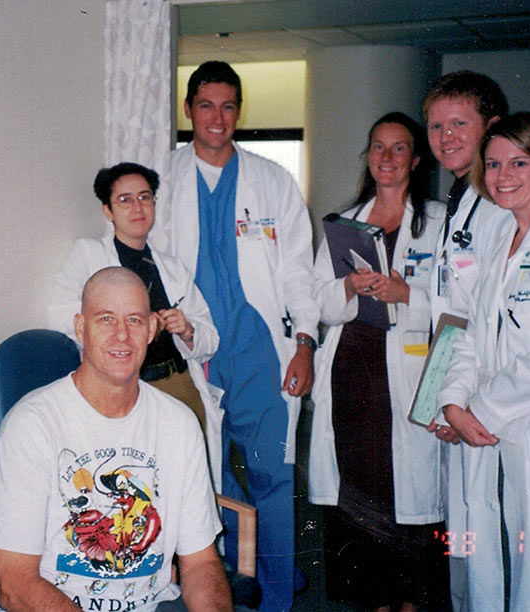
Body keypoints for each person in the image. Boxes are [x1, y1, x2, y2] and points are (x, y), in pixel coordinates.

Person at [150, 60, 318, 612]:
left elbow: (298, 269)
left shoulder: (272, 180)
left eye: (227, 106)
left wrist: (306, 343)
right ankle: (228, 581)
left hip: (258, 351)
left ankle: (273, 595)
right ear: (188, 111)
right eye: (205, 105)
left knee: (272, 473)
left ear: (238, 112)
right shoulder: (162, 179)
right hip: (188, 349)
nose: (217, 118)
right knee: (201, 473)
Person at [0, 267, 234, 612]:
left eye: (135, 321)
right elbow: (14, 585)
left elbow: (200, 563)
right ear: (81, 328)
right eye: (106, 319)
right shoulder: (31, 426)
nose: (122, 336)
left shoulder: (179, 424)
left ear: (150, 331)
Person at [438, 112, 530, 611]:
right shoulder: (498, 236)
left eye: (519, 162)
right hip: (488, 430)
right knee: (493, 563)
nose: (503, 175)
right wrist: (452, 400)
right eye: (494, 163)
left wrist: (480, 407)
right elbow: (473, 332)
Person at [308, 112, 448, 612]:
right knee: (359, 496)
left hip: (406, 377)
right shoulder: (345, 223)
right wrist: (349, 286)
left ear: (415, 159)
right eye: (378, 147)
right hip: (353, 375)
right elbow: (319, 301)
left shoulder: (439, 222)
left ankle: (407, 605)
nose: (386, 158)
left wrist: (405, 291)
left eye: (399, 148)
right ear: (368, 156)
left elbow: (459, 302)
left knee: (406, 499)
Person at [48, 162, 221, 478]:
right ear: (107, 210)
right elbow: (62, 317)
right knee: (139, 481)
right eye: (125, 200)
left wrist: (187, 329)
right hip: (126, 387)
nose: (137, 207)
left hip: (178, 383)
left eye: (145, 197)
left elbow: (210, 339)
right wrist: (117, 327)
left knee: (190, 478)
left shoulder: (171, 267)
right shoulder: (88, 255)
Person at [422, 70, 511, 611]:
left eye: (460, 122)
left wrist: (456, 400)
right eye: (436, 125)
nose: (446, 136)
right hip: (458, 391)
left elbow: (485, 320)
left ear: (491, 128)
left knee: (487, 539)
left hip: (483, 399)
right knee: (465, 537)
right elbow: (451, 311)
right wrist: (437, 397)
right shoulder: (460, 201)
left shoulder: (498, 206)